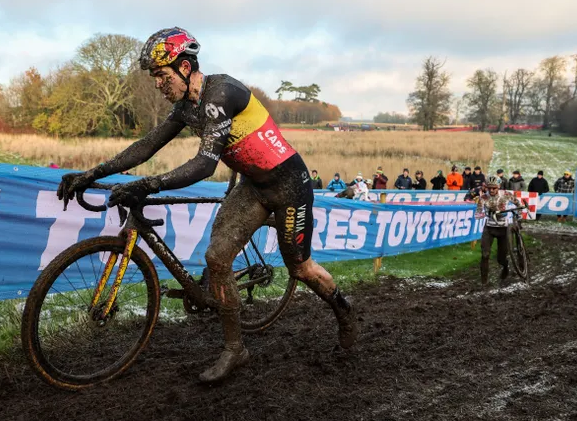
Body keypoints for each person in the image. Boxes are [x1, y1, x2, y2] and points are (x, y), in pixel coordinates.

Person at [56, 27, 357, 383]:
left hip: (289, 183)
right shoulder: (186, 107)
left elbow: (205, 164)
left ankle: (345, 313)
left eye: (161, 75)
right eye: (155, 77)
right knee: (217, 259)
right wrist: (93, 173)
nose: (157, 84)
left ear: (185, 68)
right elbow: (147, 145)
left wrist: (149, 184)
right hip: (253, 187)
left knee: (301, 270)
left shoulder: (222, 92)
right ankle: (235, 349)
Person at [475, 176, 526, 286]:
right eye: (489, 188)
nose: (492, 190)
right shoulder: (483, 198)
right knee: (485, 255)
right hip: (489, 228)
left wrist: (519, 215)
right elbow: (478, 213)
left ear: (498, 187)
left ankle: (505, 266)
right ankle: (484, 282)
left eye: (494, 188)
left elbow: (519, 205)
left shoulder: (506, 195)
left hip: (504, 229)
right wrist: (481, 214)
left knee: (501, 258)